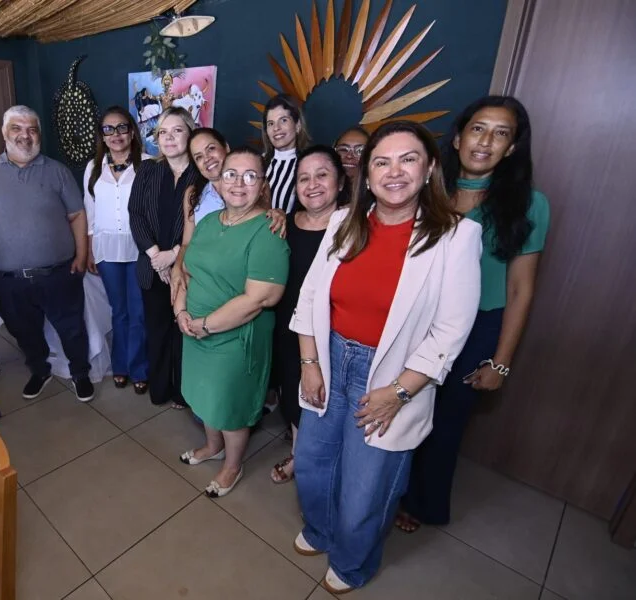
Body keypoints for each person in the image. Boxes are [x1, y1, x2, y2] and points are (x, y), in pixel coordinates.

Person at [290, 121, 482, 593]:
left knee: (366, 488)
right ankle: (321, 530)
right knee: (312, 462)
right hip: (330, 358)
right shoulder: (343, 222)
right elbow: (311, 296)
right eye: (382, 162)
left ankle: (352, 563)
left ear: (429, 167)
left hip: (394, 374)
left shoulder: (456, 236)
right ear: (367, 174)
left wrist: (398, 393)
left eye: (407, 159)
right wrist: (310, 363)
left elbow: (451, 330)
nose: (394, 172)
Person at [397, 96, 551, 533]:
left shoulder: (530, 204)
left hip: (478, 328)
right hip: (416, 319)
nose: (485, 142)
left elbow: (521, 289)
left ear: (512, 147)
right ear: (458, 137)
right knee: (403, 406)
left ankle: (423, 504)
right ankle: (388, 489)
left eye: (501, 134)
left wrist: (501, 362)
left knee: (446, 422)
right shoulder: (427, 189)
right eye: (478, 129)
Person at [174, 147, 289, 497]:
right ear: (219, 182)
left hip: (234, 339)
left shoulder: (267, 231)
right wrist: (181, 311)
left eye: (250, 176)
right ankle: (213, 447)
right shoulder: (209, 221)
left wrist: (205, 325)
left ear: (263, 185)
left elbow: (259, 299)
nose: (239, 183)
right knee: (205, 396)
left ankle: (232, 466)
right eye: (231, 174)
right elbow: (187, 270)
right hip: (194, 330)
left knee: (229, 406)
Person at [0, 105, 94, 403]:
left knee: (72, 328)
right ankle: (40, 369)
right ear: (4, 133)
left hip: (59, 272)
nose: (25, 136)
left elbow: (77, 215)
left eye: (32, 130)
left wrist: (81, 254)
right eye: (17, 128)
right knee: (23, 331)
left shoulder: (58, 171)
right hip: (7, 278)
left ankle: (80, 373)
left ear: (39, 135)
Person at [269, 145, 347, 484]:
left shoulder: (353, 227)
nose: (312, 185)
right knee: (292, 390)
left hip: (332, 330)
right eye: (303, 178)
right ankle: (299, 454)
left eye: (322, 175)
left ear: (340, 182)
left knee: (325, 399)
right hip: (286, 325)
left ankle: (319, 461)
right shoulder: (282, 223)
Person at [170, 127, 287, 304]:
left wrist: (279, 214)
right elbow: (187, 242)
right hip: (202, 286)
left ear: (226, 147)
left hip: (238, 284)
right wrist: (177, 267)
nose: (207, 159)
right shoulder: (193, 195)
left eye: (211, 149)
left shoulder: (254, 187)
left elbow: (264, 223)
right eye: (198, 157)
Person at [129, 107, 197, 408]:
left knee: (184, 332)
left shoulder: (202, 173)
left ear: (190, 133)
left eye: (177, 130)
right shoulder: (147, 170)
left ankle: (184, 393)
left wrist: (175, 255)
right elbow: (135, 214)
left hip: (189, 268)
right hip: (152, 266)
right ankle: (159, 389)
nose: (169, 138)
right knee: (156, 331)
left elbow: (207, 222)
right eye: (163, 132)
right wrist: (157, 255)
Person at [84, 106, 151, 395]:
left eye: (122, 127)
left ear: (132, 131)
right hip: (106, 249)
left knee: (138, 312)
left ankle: (139, 368)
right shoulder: (93, 167)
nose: (116, 134)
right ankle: (120, 365)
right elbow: (90, 212)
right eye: (108, 129)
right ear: (102, 135)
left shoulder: (147, 164)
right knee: (119, 311)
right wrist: (89, 250)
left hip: (139, 248)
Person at [263, 94, 312, 214]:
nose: (276, 128)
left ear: (297, 125)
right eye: (270, 123)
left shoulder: (309, 164)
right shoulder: (258, 163)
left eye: (283, 120)